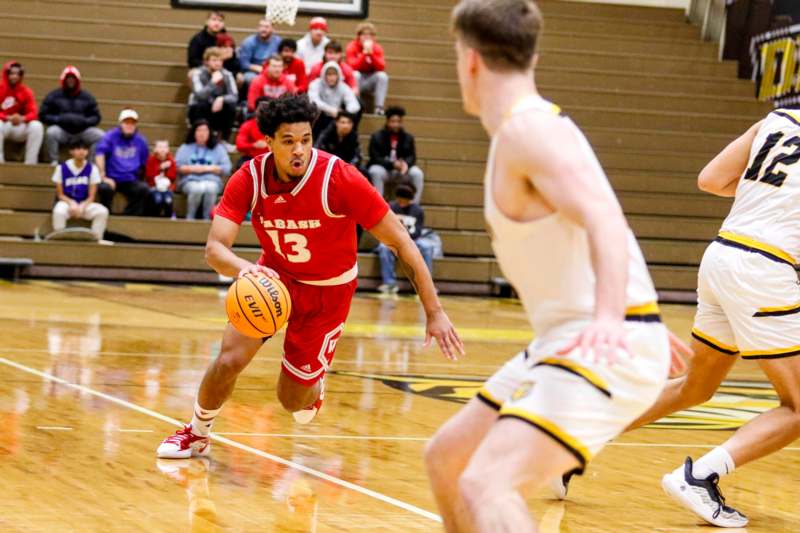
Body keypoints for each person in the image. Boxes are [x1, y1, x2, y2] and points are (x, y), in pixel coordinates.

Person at [423, 2, 689, 532]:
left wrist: (617, 318)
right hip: (578, 333)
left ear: (469, 61)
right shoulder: (524, 132)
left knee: (487, 483)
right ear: (534, 57)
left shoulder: (529, 132)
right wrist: (641, 315)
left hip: (599, 340)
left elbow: (606, 219)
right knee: (448, 459)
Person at [156, 94, 463, 459]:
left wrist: (434, 311)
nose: (298, 149)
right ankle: (198, 432)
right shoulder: (250, 177)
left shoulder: (341, 179)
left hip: (327, 295)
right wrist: (248, 270)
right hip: (273, 279)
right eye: (288, 141)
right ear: (268, 142)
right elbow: (215, 250)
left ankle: (313, 388)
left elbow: (402, 244)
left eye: (305, 139)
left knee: (292, 403)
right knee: (227, 361)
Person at [601, 108, 800, 528]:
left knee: (696, 386)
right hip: (766, 268)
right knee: (799, 408)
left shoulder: (776, 119)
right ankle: (700, 477)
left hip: (723, 253)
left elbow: (709, 179)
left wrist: (763, 195)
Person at [375, 184, 435, 294]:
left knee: (427, 246)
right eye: (399, 200)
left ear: (410, 200)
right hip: (393, 239)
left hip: (412, 240)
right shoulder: (391, 207)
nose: (401, 203)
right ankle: (389, 284)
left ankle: (426, 286)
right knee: (383, 247)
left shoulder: (418, 210)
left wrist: (404, 231)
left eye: (404, 201)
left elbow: (417, 232)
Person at [40, 66, 104, 164]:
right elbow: (43, 114)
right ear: (64, 80)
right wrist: (59, 119)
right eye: (68, 79)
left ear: (77, 80)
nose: (70, 81)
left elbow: (96, 117)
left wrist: (84, 121)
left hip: (82, 131)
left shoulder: (87, 97)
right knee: (51, 132)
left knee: (100, 136)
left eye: (73, 79)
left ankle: (91, 163)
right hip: (63, 131)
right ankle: (54, 160)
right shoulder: (54, 95)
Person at [95, 109, 149, 216]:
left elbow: (144, 163)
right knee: (104, 189)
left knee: (143, 189)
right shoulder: (110, 136)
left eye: (132, 123)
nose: (129, 125)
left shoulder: (141, 141)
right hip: (111, 177)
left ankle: (128, 217)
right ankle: (107, 217)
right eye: (126, 122)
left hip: (130, 179)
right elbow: (100, 154)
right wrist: (103, 176)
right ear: (120, 124)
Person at [51, 139, 109, 240]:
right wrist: (71, 203)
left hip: (85, 203)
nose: (82, 151)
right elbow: (60, 194)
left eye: (85, 149)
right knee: (58, 211)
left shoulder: (92, 168)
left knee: (102, 211)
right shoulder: (61, 168)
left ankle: (96, 238)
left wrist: (82, 205)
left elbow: (92, 196)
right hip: (67, 203)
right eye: (78, 149)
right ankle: (59, 237)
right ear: (71, 151)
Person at [175, 120, 231, 220]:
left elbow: (227, 168)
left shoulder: (218, 148)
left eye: (205, 130)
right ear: (194, 132)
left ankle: (207, 218)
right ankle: (190, 217)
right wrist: (194, 169)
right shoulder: (185, 147)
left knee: (210, 188)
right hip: (189, 181)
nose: (202, 133)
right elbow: (178, 166)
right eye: (199, 130)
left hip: (212, 181)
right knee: (197, 189)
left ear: (209, 132)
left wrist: (206, 168)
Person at [367, 106, 424, 203]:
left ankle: (414, 206)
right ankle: (378, 205)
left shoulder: (408, 137)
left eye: (398, 121)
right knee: (374, 171)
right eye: (393, 121)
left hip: (402, 171)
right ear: (387, 121)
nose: (396, 124)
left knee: (417, 173)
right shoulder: (377, 136)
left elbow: (412, 157)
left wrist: (405, 164)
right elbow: (375, 157)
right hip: (385, 170)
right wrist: (392, 164)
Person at [189, 47, 238, 141]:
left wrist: (222, 99)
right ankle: (197, 139)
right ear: (207, 62)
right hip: (202, 107)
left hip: (218, 108)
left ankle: (223, 140)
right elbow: (199, 95)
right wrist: (212, 83)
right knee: (201, 105)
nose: (218, 63)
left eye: (220, 60)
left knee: (230, 106)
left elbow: (234, 96)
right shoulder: (198, 73)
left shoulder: (227, 74)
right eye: (214, 60)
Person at [0, 61, 43, 165]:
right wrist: (7, 117)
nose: (14, 77)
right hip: (3, 124)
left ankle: (30, 163)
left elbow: (33, 113)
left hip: (20, 125)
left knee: (37, 126)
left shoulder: (26, 91)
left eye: (17, 74)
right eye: (12, 73)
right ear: (6, 74)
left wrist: (22, 118)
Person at [307, 62, 360, 138]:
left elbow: (354, 104)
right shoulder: (315, 84)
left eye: (334, 74)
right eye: (329, 74)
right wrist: (331, 110)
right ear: (324, 75)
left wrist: (344, 114)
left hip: (335, 118)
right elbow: (313, 100)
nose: (332, 77)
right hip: (319, 118)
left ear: (338, 75)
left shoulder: (342, 86)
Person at [346, 22, 388, 115]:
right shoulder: (352, 46)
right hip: (357, 80)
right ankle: (356, 105)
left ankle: (379, 108)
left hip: (370, 80)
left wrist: (371, 54)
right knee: (355, 74)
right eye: (364, 35)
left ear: (373, 38)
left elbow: (381, 67)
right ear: (359, 36)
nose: (367, 37)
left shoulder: (377, 48)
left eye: (370, 35)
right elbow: (352, 66)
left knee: (382, 76)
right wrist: (364, 54)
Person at [239, 19, 282, 86]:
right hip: (254, 72)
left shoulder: (278, 41)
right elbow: (244, 64)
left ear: (272, 29)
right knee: (252, 79)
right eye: (261, 26)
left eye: (266, 27)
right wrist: (262, 70)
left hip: (274, 69)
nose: (263, 29)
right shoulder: (249, 42)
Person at [144, 140, 177, 218]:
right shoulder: (151, 160)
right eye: (160, 147)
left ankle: (169, 216)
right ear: (155, 149)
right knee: (157, 199)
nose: (162, 149)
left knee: (168, 200)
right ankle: (154, 217)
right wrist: (159, 168)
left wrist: (167, 169)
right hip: (154, 186)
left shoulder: (171, 161)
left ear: (168, 149)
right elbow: (149, 175)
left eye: (165, 147)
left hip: (167, 187)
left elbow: (173, 177)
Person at [235, 97, 271, 168]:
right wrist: (254, 145)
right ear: (256, 110)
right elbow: (239, 145)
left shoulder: (277, 126)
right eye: (261, 109)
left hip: (271, 158)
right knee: (242, 165)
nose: (265, 112)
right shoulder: (248, 125)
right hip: (251, 158)